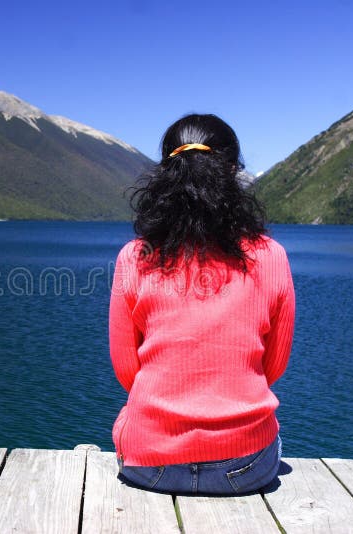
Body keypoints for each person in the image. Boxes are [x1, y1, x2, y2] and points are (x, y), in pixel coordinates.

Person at [109, 113, 295, 495]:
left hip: (150, 466)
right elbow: (273, 366)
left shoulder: (135, 257)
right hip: (247, 466)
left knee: (127, 420)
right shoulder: (272, 256)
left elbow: (128, 372)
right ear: (232, 174)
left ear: (165, 177)